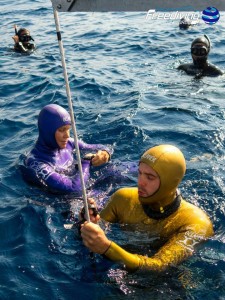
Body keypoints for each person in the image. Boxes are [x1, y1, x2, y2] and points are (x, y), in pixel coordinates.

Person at [80, 144, 214, 272]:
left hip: (167, 283)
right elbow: (89, 240)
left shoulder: (196, 223)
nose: (140, 182)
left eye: (150, 177)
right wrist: (87, 223)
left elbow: (160, 267)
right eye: (140, 173)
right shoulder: (123, 199)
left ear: (170, 182)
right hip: (117, 267)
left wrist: (107, 248)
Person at [21, 104, 112, 194]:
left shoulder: (69, 142)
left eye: (68, 129)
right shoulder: (37, 163)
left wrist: (105, 154)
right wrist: (86, 162)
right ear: (48, 132)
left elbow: (100, 147)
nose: (67, 135)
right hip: (65, 202)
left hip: (85, 186)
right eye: (62, 130)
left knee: (121, 170)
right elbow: (74, 188)